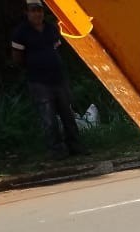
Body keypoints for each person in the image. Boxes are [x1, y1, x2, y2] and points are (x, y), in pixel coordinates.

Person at [11, 0, 85, 160]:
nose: (37, 13)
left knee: (68, 114)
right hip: (39, 81)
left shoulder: (51, 28)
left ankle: (75, 147)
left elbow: (56, 48)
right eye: (33, 10)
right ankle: (56, 151)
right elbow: (17, 58)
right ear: (27, 12)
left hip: (58, 78)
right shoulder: (21, 32)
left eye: (40, 10)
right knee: (48, 117)